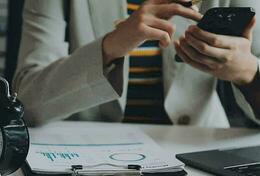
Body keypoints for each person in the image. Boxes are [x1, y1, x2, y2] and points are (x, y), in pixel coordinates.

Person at [13, 0, 260, 127]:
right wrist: (110, 47)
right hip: (86, 154)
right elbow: (26, 101)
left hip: (195, 148)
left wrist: (248, 73)